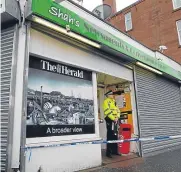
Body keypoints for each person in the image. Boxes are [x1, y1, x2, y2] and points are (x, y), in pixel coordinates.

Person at [103, 90, 121, 158]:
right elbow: (107, 111)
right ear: (108, 95)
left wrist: (117, 117)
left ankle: (115, 151)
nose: (112, 95)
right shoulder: (106, 101)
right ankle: (108, 153)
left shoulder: (114, 101)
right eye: (111, 94)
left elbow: (118, 110)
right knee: (110, 135)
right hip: (109, 119)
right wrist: (113, 118)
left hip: (115, 120)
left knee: (115, 135)